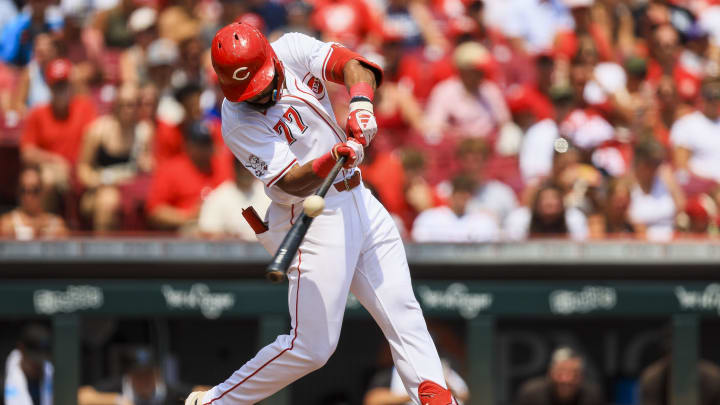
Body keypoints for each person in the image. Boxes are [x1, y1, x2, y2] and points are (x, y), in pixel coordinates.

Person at [184, 22, 456, 405]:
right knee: (312, 347)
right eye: (247, 92)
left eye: (261, 86)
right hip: (310, 216)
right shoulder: (236, 119)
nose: (258, 97)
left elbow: (354, 65)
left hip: (359, 198)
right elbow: (292, 182)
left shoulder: (291, 48)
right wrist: (333, 157)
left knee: (403, 310)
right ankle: (215, 401)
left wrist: (360, 103)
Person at [76, 83, 154, 232]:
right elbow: (83, 168)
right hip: (99, 189)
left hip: (131, 189)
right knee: (108, 202)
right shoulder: (97, 131)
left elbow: (149, 166)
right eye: (122, 104)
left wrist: (146, 164)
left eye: (131, 105)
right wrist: (98, 182)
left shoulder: (144, 132)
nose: (126, 109)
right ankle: (103, 251)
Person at [19, 58, 97, 205]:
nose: (61, 90)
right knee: (48, 177)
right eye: (57, 85)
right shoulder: (38, 113)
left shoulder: (85, 107)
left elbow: (96, 140)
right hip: (55, 172)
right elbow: (27, 152)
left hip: (82, 172)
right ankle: (48, 223)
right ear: (49, 87)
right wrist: (55, 161)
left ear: (71, 86)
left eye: (64, 84)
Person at [146, 120, 231, 232]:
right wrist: (188, 216)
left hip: (226, 226)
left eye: (207, 143)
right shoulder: (171, 169)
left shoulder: (225, 165)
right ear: (187, 145)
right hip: (188, 229)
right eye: (200, 145)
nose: (205, 149)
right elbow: (155, 211)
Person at [78, 347, 193, 405]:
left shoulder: (166, 390)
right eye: (139, 376)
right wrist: (119, 401)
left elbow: (202, 391)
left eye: (148, 375)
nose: (144, 380)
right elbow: (81, 395)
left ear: (156, 374)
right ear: (130, 375)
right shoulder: (118, 385)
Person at [411, 175, 499, 242]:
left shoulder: (483, 221)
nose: (462, 197)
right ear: (452, 194)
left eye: (466, 193)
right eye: (459, 192)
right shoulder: (429, 218)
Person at [198, 159, 272, 240]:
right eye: (242, 167)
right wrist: (226, 236)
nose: (245, 172)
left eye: (248, 167)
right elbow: (207, 231)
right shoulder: (218, 196)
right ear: (235, 168)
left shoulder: (269, 194)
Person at [515, 347, 604, 405]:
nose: (566, 380)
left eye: (574, 374)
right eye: (561, 372)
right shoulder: (531, 394)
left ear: (581, 376)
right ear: (550, 373)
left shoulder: (592, 395)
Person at [0, 166, 68, 239]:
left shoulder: (56, 224)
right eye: (23, 190)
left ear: (42, 192)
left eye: (34, 190)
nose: (28, 196)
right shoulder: (7, 223)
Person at [3, 323, 53, 405]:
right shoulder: (5, 379)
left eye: (41, 360)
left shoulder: (53, 375)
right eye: (33, 360)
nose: (38, 365)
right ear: (21, 349)